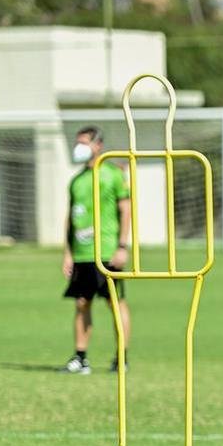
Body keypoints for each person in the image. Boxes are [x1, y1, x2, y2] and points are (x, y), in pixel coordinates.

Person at [62, 126, 131, 374]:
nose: (78, 148)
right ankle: (80, 358)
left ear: (98, 145)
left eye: (83, 143)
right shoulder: (76, 181)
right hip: (82, 252)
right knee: (81, 303)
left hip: (107, 251)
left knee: (115, 303)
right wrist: (68, 252)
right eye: (76, 143)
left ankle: (121, 357)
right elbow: (70, 218)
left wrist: (122, 246)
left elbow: (126, 210)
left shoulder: (112, 174)